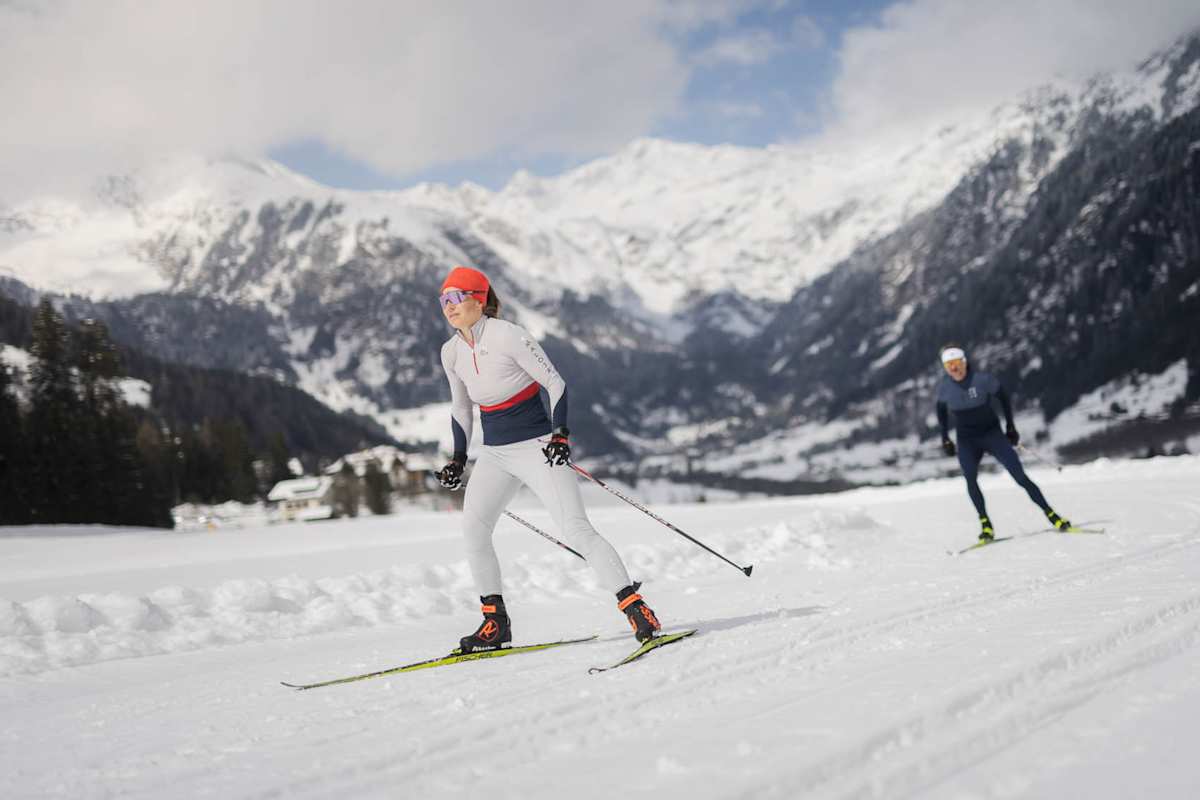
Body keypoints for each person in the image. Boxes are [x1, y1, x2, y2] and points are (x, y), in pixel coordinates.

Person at [433, 265, 662, 652]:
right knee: (473, 530)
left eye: (456, 297)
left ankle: (636, 609)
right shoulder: (451, 352)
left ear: (479, 299)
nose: (449, 307)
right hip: (495, 454)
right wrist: (458, 458)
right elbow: (461, 409)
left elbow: (555, 383)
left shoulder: (509, 336)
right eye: (443, 300)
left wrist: (560, 434)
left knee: (576, 529)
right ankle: (495, 623)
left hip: (537, 445)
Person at [935, 343, 1072, 541]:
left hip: (992, 435)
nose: (954, 369)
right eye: (949, 366)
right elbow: (940, 412)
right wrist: (945, 437)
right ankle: (985, 524)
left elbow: (1004, 398)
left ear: (964, 362)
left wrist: (1010, 426)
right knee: (970, 479)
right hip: (967, 440)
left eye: (956, 363)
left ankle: (1051, 514)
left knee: (1020, 477)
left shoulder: (982, 380)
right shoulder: (945, 388)